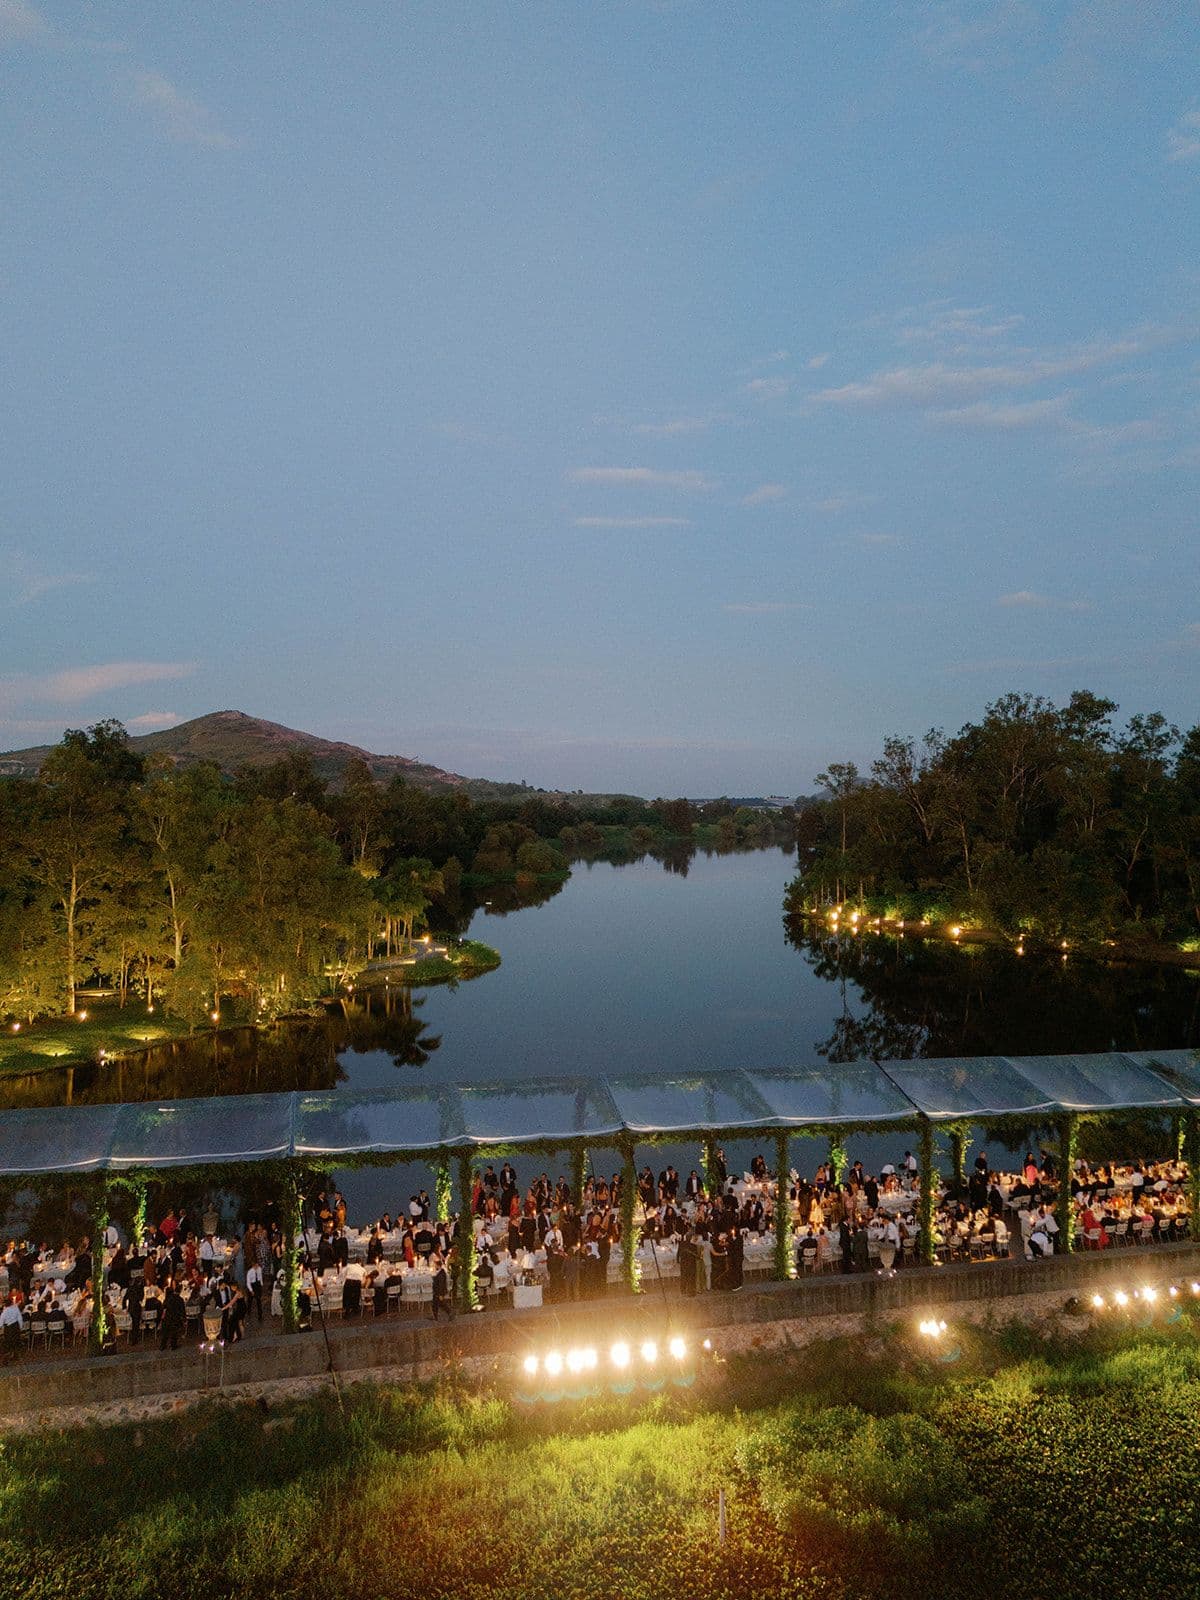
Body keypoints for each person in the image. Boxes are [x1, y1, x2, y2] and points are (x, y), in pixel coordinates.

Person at [159, 1281, 186, 1351]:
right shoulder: (180, 1299)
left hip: (167, 1317)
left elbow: (164, 1307)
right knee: (174, 1332)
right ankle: (173, 1345)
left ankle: (162, 1345)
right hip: (175, 1317)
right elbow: (182, 1310)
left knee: (165, 1333)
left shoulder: (168, 1298)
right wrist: (184, 1319)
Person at [0, 1293, 23, 1362]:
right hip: (16, 1326)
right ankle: (16, 1355)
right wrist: (20, 1327)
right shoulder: (16, 1308)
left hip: (9, 1328)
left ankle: (9, 1356)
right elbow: (20, 1318)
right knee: (16, 1341)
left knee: (9, 1342)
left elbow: (1, 1321)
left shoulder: (5, 1312)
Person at [431, 1254, 453, 1320]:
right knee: (436, 1304)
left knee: (441, 1304)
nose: (434, 1266)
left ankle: (449, 1313)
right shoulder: (440, 1272)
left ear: (438, 1265)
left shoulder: (441, 1274)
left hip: (439, 1292)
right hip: (437, 1292)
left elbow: (441, 1284)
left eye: (435, 1265)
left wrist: (440, 1294)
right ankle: (435, 1316)